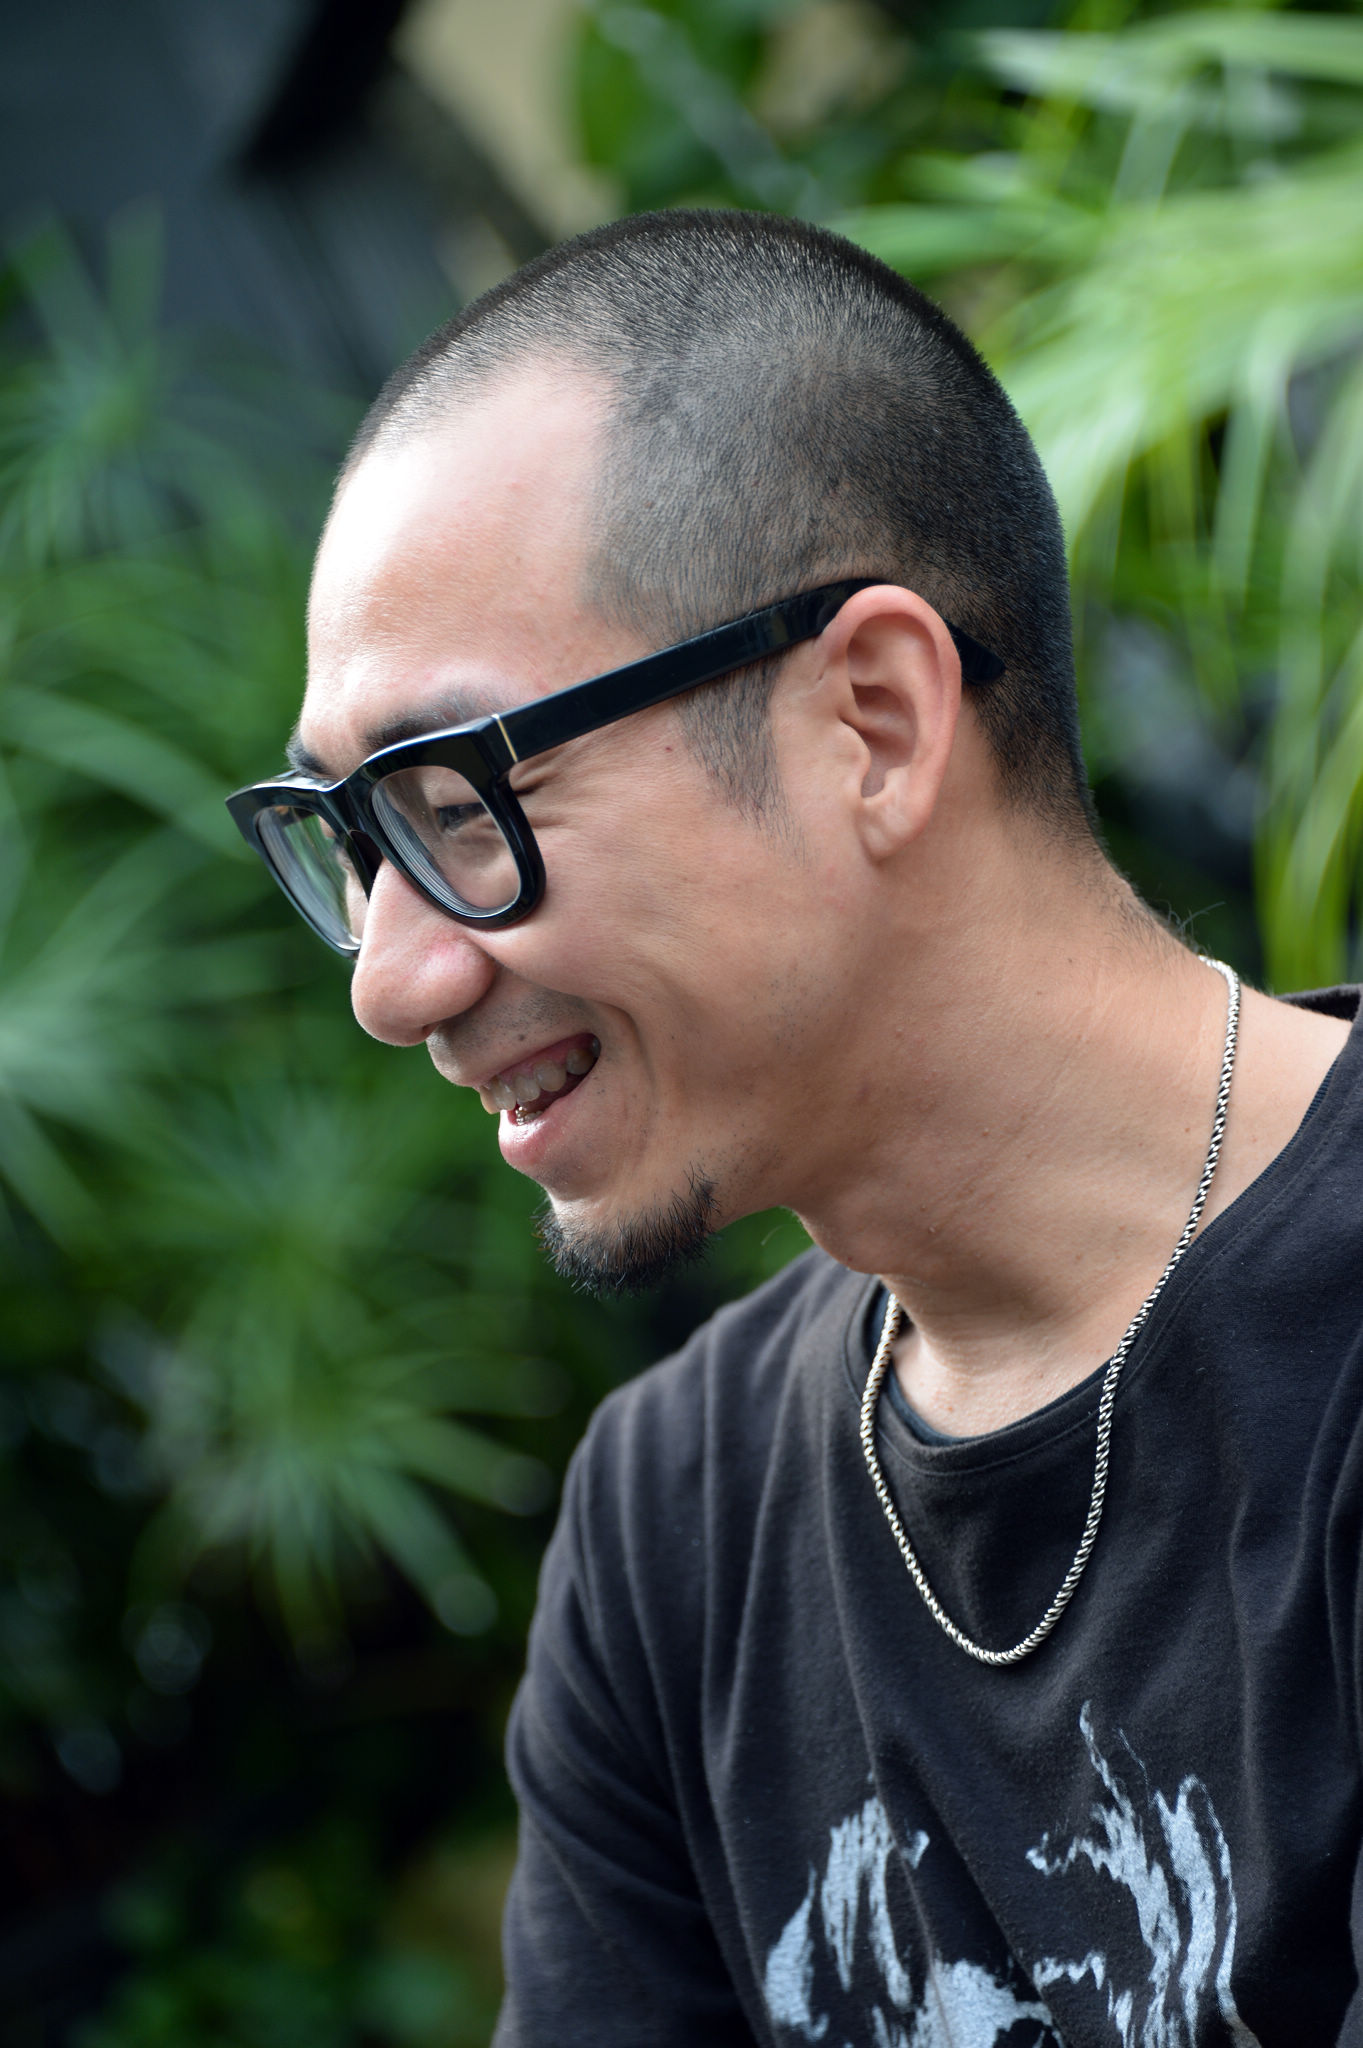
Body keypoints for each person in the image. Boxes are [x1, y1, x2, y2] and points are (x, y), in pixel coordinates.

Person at [227, 210, 1363, 2045]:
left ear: (876, 722)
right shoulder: (671, 1526)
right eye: (354, 847)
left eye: (458, 805)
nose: (395, 981)